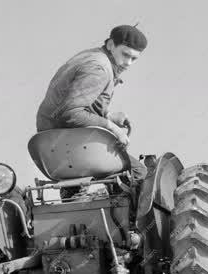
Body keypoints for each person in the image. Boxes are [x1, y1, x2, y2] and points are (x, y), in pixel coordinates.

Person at [36, 25, 148, 187]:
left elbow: (73, 105)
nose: (128, 63)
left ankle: (74, 198)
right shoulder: (99, 69)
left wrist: (108, 115)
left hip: (54, 140)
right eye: (125, 55)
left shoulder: (92, 55)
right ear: (111, 45)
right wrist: (113, 129)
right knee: (139, 173)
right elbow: (70, 114)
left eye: (134, 59)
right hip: (70, 141)